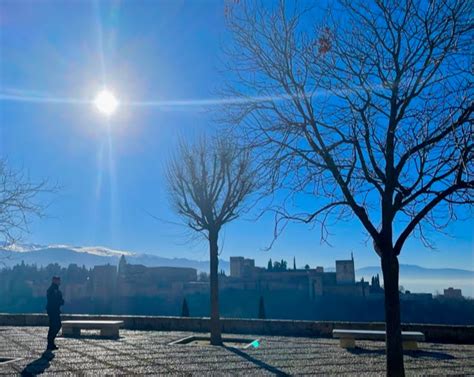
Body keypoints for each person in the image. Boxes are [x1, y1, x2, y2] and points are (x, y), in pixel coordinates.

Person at [46, 276, 64, 350]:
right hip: (53, 310)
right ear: (55, 281)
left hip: (54, 310)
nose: (59, 282)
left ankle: (51, 343)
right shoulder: (52, 289)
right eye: (58, 280)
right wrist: (60, 301)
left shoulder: (55, 289)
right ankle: (50, 343)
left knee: (55, 326)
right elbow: (53, 300)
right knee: (54, 326)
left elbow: (59, 299)